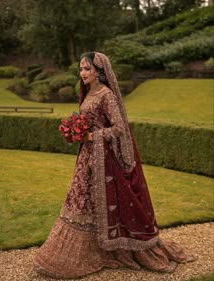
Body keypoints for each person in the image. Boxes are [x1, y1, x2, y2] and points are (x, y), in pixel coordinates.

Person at [34, 52, 195, 279]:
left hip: (104, 159)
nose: (82, 73)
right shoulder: (88, 93)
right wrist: (75, 130)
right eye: (81, 69)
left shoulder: (106, 95)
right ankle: (86, 250)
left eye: (87, 69)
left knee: (96, 200)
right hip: (86, 157)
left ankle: (111, 248)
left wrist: (91, 136)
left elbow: (119, 128)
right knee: (81, 200)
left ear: (99, 71)